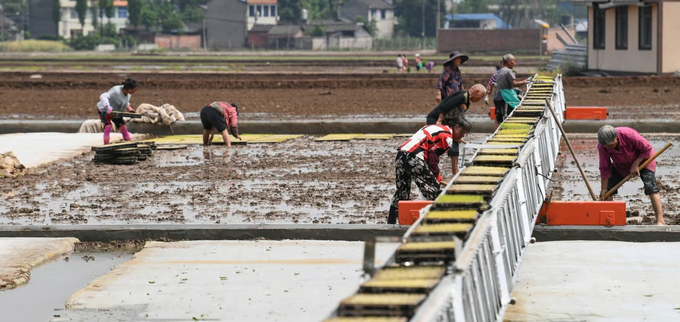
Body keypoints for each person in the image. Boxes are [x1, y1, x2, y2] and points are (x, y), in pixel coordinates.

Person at [387, 117, 472, 224]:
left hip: (401, 155)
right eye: (463, 133)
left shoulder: (439, 128)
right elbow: (432, 159)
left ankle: (390, 223)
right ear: (456, 127)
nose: (463, 136)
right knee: (433, 189)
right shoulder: (447, 138)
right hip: (414, 157)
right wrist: (437, 178)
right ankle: (440, 221)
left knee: (401, 193)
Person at [597, 125, 665, 225]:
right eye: (607, 146)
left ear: (616, 137)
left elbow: (647, 149)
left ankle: (660, 220)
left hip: (644, 159)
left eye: (611, 145)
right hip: (622, 164)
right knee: (608, 190)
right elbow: (604, 167)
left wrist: (636, 163)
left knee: (650, 186)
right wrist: (603, 189)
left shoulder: (628, 135)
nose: (609, 148)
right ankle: (609, 220)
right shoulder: (602, 147)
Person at [426, 84, 486, 182]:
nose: (481, 99)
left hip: (447, 121)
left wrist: (459, 134)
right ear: (476, 92)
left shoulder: (466, 102)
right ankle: (432, 173)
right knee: (434, 147)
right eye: (481, 96)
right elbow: (445, 106)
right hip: (436, 119)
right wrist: (439, 121)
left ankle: (454, 171)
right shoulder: (461, 96)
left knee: (454, 142)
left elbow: (457, 117)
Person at [96, 78, 138, 145]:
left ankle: (128, 142)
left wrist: (130, 109)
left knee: (123, 127)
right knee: (108, 126)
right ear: (128, 88)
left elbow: (125, 103)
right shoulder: (116, 91)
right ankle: (106, 144)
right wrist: (108, 107)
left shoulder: (128, 94)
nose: (135, 90)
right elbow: (103, 96)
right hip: (104, 110)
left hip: (116, 112)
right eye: (134, 88)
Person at [494, 54, 529, 126]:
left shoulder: (499, 71)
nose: (514, 63)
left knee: (499, 116)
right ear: (509, 62)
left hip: (498, 95)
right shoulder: (509, 71)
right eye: (514, 61)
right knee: (512, 111)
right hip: (506, 95)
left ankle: (499, 129)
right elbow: (514, 84)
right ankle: (510, 125)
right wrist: (524, 81)